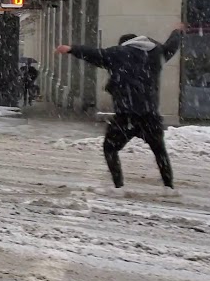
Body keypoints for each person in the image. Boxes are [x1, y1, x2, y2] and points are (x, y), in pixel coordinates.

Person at [56, 26, 183, 189]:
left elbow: (95, 54)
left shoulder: (117, 54)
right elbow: (171, 46)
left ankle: (118, 185)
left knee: (109, 148)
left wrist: (72, 49)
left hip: (126, 115)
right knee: (160, 151)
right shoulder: (156, 53)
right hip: (149, 114)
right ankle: (169, 187)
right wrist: (177, 32)